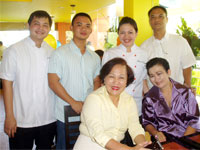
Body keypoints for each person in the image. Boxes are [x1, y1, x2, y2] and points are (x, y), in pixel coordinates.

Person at [0, 10, 56, 149]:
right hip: (20, 119)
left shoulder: (52, 52)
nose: (41, 28)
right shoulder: (14, 50)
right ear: (28, 25)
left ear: (49, 28)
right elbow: (7, 84)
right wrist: (9, 116)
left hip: (48, 117)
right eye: (36, 24)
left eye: (45, 25)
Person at [48, 12, 101, 149]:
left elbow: (97, 80)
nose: (83, 29)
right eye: (79, 25)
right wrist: (73, 102)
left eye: (87, 25)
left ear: (91, 30)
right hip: (65, 114)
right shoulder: (59, 53)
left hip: (89, 114)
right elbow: (53, 82)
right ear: (71, 28)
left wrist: (92, 101)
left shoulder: (94, 57)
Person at [74, 58, 151, 150]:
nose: (116, 82)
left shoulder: (129, 100)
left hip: (117, 147)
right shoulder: (93, 99)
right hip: (91, 146)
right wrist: (128, 149)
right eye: (111, 76)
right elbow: (98, 134)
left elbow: (135, 127)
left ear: (127, 81)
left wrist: (142, 145)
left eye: (121, 77)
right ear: (104, 78)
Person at [142, 57, 200, 143]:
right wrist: (155, 133)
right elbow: (147, 122)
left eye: (159, 74)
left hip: (188, 138)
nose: (156, 79)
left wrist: (183, 142)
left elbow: (194, 121)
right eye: (152, 76)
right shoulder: (149, 98)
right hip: (164, 140)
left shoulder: (185, 93)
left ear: (168, 72)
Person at [102, 17, 149, 118]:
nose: (126, 36)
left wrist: (151, 101)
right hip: (114, 106)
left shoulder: (144, 54)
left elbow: (144, 81)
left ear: (136, 33)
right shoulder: (110, 53)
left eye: (130, 32)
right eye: (122, 32)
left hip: (136, 106)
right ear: (118, 34)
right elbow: (104, 82)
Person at [140, 5, 196, 88]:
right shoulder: (143, 47)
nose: (156, 20)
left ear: (167, 19)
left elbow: (187, 65)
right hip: (154, 95)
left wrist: (188, 87)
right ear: (149, 21)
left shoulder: (180, 41)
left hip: (177, 92)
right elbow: (142, 74)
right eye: (153, 17)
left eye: (160, 16)